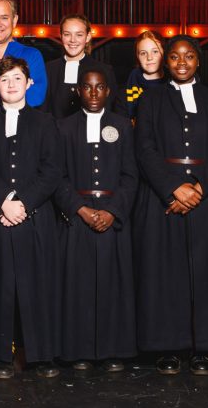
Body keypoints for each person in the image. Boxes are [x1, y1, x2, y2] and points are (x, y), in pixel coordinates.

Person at [134, 35, 208, 376]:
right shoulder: (150, 98)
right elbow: (144, 149)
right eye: (175, 57)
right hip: (163, 196)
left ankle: (205, 346)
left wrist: (199, 188)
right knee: (166, 273)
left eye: (188, 56)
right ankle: (168, 346)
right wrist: (173, 188)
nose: (181, 62)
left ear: (198, 61)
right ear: (166, 62)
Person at [0, 56, 64, 379]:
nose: (11, 84)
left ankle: (42, 355)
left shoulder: (46, 122)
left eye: (17, 78)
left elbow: (52, 170)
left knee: (38, 286)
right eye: (4, 79)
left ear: (29, 83)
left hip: (35, 216)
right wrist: (4, 202)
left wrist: (23, 203)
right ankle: (1, 356)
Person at [54, 68, 138, 372]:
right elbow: (57, 176)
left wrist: (113, 210)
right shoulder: (63, 128)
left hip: (112, 214)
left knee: (114, 283)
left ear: (108, 91)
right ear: (78, 91)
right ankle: (78, 350)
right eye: (87, 88)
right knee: (77, 285)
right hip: (78, 216)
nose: (93, 93)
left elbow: (131, 175)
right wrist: (80, 208)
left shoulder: (122, 126)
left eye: (99, 87)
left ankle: (113, 350)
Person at [41, 14, 117, 118]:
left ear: (88, 37)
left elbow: (110, 111)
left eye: (79, 35)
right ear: (61, 36)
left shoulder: (104, 70)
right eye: (67, 34)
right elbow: (43, 111)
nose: (73, 40)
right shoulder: (48, 69)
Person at [115, 30, 166, 121]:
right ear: (137, 57)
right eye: (143, 53)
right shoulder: (123, 95)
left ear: (164, 53)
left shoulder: (175, 87)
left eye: (155, 51)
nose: (149, 57)